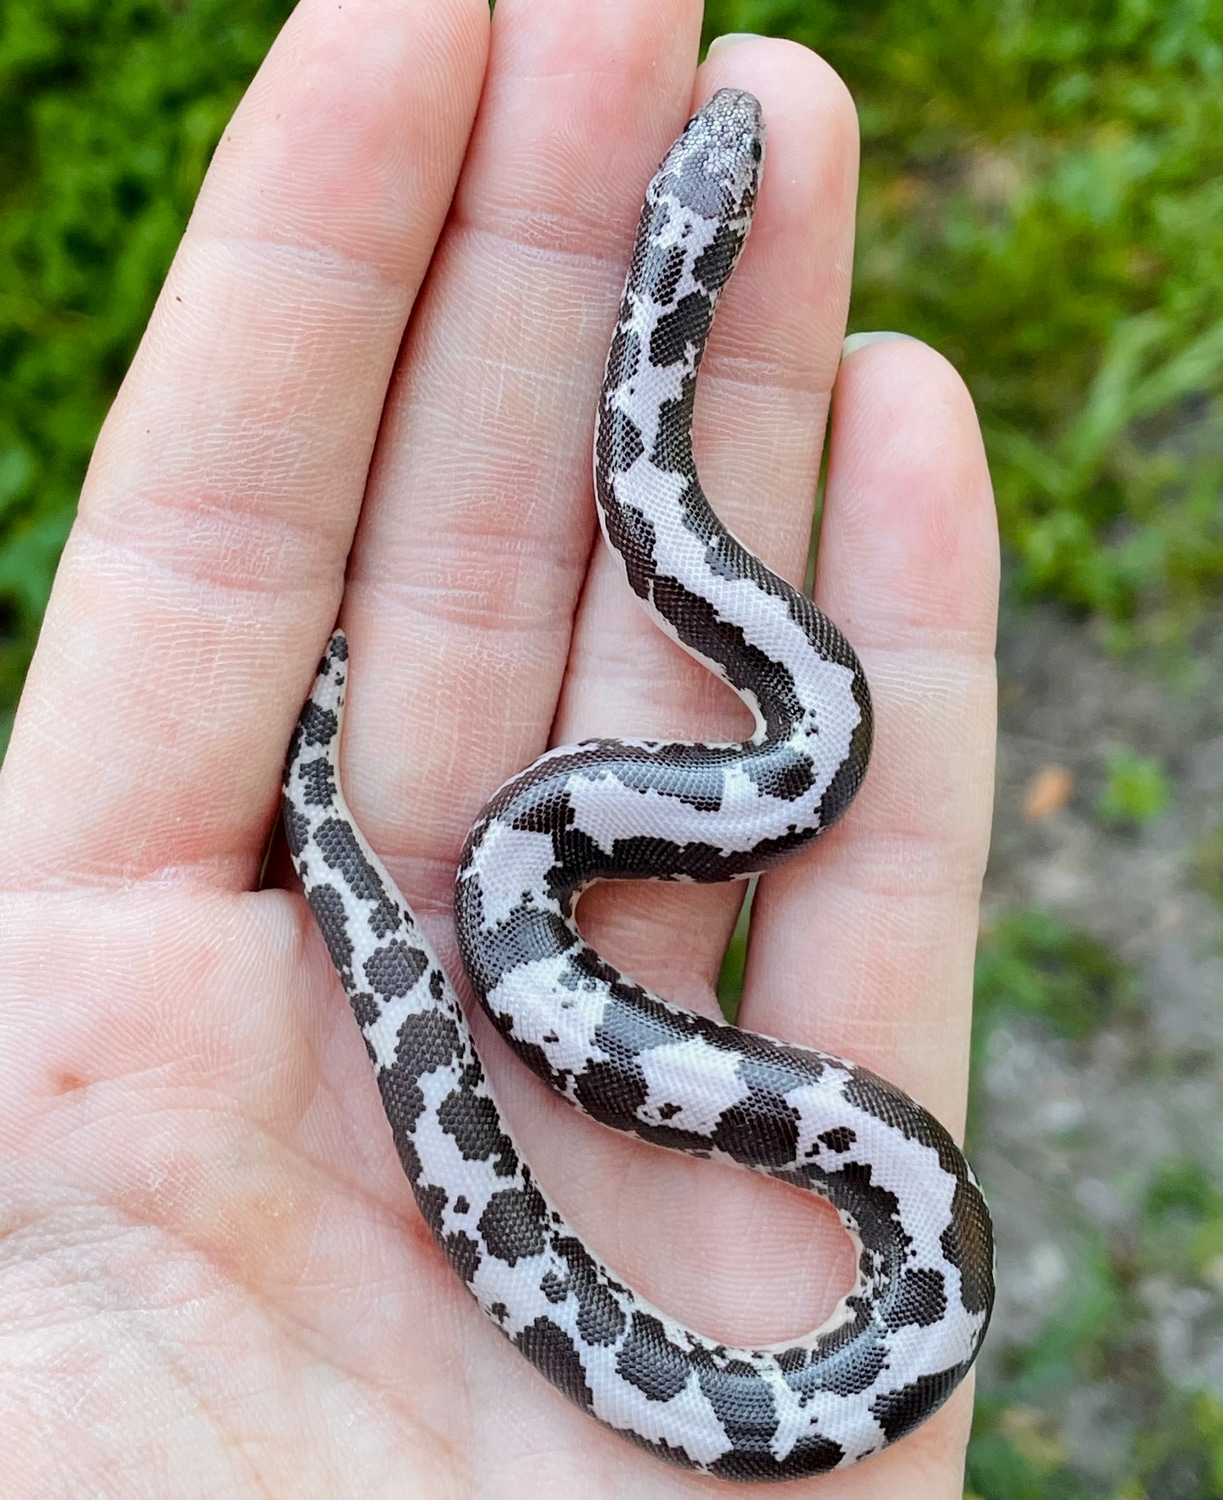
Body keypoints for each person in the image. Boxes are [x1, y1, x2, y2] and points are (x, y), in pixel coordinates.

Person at [0, 2, 999, 1495]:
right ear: (695, 262)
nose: (717, 178)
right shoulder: (788, 714)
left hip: (583, 944)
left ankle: (349, 832)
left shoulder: (778, 723)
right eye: (704, 196)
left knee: (633, 818)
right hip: (563, 915)